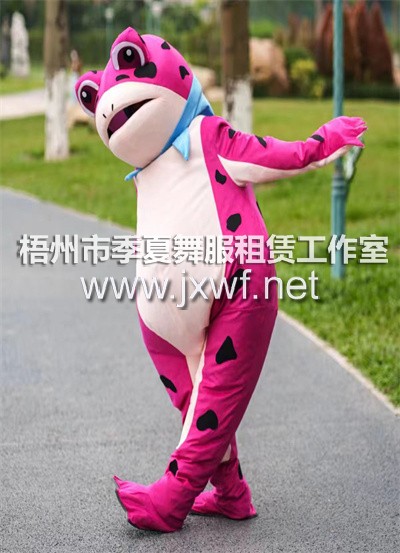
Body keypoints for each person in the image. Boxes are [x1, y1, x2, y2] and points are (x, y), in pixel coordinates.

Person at [75, 27, 366, 533]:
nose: (106, 106)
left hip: (238, 289)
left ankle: (171, 498)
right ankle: (231, 494)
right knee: (196, 403)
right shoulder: (145, 171)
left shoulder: (207, 138)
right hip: (166, 321)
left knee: (213, 400)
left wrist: (323, 142)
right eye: (93, 98)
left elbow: (272, 156)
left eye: (128, 61)